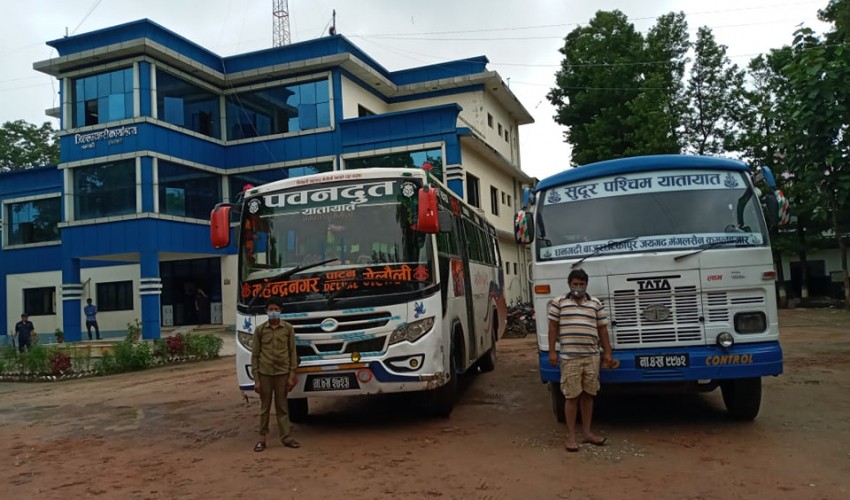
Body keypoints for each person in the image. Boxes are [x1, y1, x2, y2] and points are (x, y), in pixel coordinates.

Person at [547, 268, 614, 452]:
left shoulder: (595, 303)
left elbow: (602, 330)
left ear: (586, 285)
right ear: (569, 284)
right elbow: (553, 328)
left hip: (592, 357)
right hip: (570, 357)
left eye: (582, 284)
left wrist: (607, 352)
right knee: (571, 396)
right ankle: (571, 437)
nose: (578, 287)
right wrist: (552, 352)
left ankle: (587, 433)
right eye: (575, 284)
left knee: (588, 396)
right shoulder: (558, 303)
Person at [251, 298, 301, 451]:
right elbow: (255, 355)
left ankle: (286, 437)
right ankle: (262, 439)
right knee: (264, 408)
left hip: (282, 374)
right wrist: (257, 379)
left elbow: (293, 352)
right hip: (265, 373)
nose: (273, 312)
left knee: (282, 407)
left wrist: (292, 374)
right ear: (266, 311)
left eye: (276, 309)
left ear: (280, 311)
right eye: (270, 309)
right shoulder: (260, 330)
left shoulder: (288, 329)